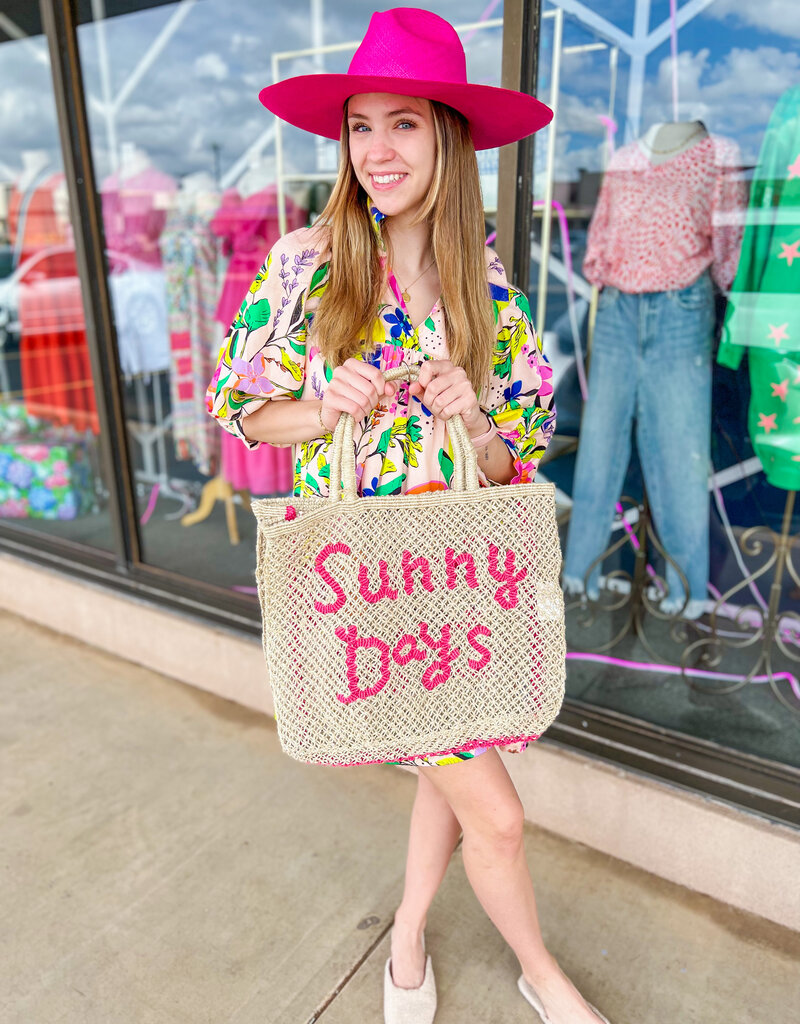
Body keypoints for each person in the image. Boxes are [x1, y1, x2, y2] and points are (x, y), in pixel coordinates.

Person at [206, 9, 611, 1024]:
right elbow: (241, 405)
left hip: (462, 580)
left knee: (447, 752)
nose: (375, 151)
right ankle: (539, 974)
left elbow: (515, 460)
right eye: (359, 127)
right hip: (367, 589)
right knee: (501, 819)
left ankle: (406, 940)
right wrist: (323, 403)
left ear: (449, 139)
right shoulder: (309, 265)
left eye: (404, 126)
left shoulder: (493, 298)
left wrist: (472, 415)